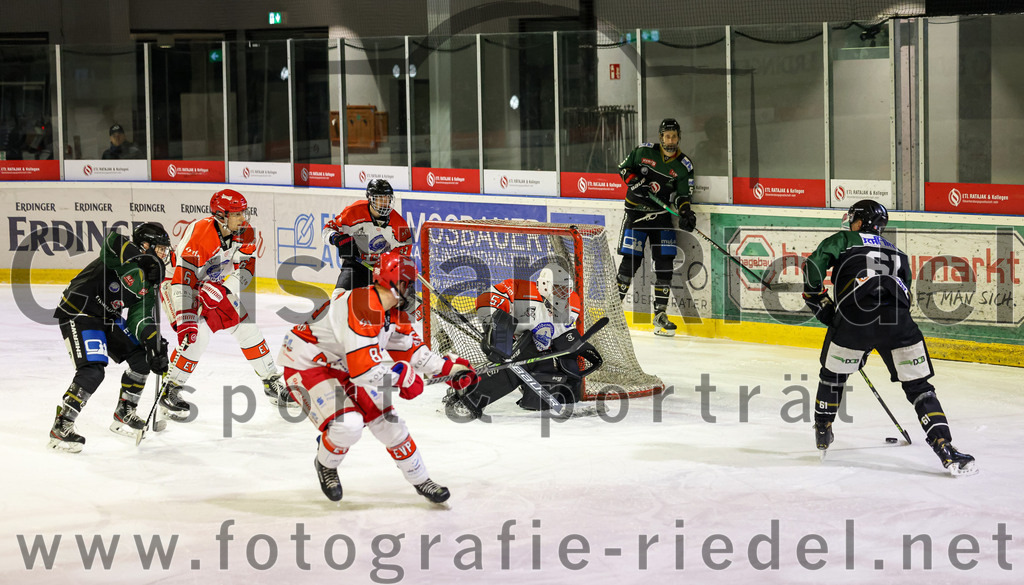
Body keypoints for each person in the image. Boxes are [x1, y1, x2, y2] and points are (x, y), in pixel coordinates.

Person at [276, 251, 479, 503]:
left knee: (389, 423)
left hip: (344, 365)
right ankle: (325, 464)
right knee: (348, 425)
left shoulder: (393, 310)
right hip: (307, 363)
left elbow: (412, 350)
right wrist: (401, 377)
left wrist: (449, 369)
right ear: (397, 283)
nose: (412, 289)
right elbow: (363, 371)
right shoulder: (363, 305)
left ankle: (421, 480)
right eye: (409, 283)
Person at [802, 200, 977, 476]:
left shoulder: (845, 239)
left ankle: (823, 429)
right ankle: (945, 447)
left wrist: (818, 301)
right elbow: (904, 294)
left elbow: (813, 267)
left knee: (833, 375)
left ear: (859, 222)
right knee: (920, 387)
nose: (851, 224)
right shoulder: (898, 252)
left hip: (855, 320)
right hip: (898, 322)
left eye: (853, 220)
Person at [158, 189, 294, 421]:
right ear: (221, 215)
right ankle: (170, 388)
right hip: (178, 284)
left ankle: (272, 384)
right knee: (197, 336)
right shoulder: (200, 234)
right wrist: (186, 320)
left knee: (247, 327)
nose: (243, 219)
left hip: (212, 284)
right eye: (237, 214)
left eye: (244, 212)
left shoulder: (246, 232)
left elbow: (246, 270)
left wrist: (223, 289)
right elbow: (184, 278)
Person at [48, 223, 172, 452]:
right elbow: (111, 242)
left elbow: (141, 318)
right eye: (161, 249)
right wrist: (140, 259)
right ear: (146, 245)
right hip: (80, 312)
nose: (164, 254)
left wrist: (152, 342)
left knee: (143, 358)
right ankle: (62, 424)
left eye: (166, 250)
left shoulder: (151, 279)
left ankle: (124, 412)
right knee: (93, 370)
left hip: (108, 317)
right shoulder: (124, 252)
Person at [444, 263, 602, 419]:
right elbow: (486, 299)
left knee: (561, 386)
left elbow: (562, 333)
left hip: (538, 348)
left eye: (565, 290)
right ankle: (469, 398)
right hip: (507, 343)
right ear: (544, 286)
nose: (562, 294)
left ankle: (533, 390)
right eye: (557, 288)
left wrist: (574, 343)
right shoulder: (520, 289)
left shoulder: (572, 302)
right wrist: (495, 329)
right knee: (520, 359)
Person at [615, 117, 696, 337]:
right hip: (636, 215)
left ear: (679, 137)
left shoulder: (683, 166)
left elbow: (682, 195)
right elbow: (623, 169)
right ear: (661, 137)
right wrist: (635, 183)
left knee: (664, 264)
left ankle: (660, 315)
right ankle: (612, 315)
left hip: (661, 218)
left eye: (674, 136)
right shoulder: (643, 152)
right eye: (667, 136)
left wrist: (686, 212)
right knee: (629, 263)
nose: (671, 140)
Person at [322, 179, 413, 292]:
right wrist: (336, 239)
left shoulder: (398, 222)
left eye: (387, 198)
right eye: (380, 198)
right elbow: (328, 229)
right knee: (339, 296)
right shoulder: (353, 212)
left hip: (382, 270)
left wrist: (391, 269)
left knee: (388, 305)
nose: (385, 202)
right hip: (355, 265)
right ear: (370, 198)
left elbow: (405, 250)